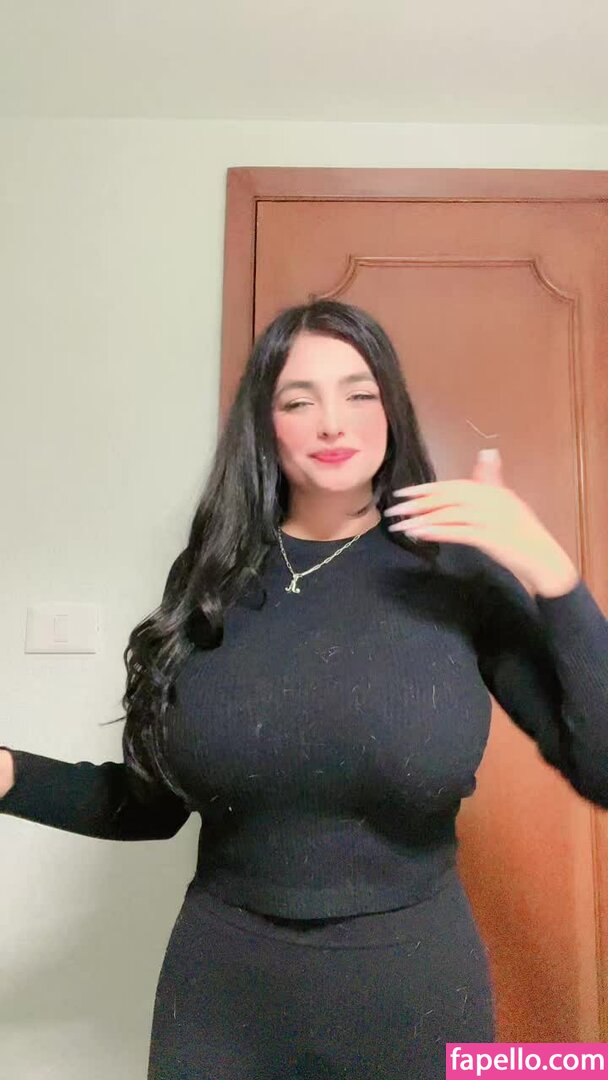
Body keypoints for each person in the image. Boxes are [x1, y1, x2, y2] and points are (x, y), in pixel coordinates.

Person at [1, 299, 607, 1080]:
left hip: (415, 999)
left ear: (391, 409)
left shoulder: (456, 571)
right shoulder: (209, 580)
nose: (332, 422)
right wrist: (10, 774)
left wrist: (550, 572)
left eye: (359, 393)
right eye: (298, 400)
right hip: (220, 1002)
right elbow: (150, 806)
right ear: (264, 424)